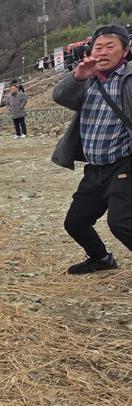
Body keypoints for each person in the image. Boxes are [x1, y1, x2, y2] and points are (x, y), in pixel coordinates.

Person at [52, 24, 132, 275]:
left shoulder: (129, 79)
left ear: (126, 50)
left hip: (124, 164)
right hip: (95, 168)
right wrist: (78, 76)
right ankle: (101, 258)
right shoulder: (87, 81)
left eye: (111, 47)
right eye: (99, 47)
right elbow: (61, 97)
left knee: (121, 223)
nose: (104, 52)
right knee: (75, 222)